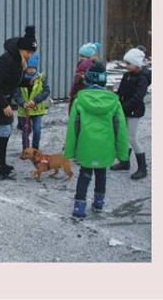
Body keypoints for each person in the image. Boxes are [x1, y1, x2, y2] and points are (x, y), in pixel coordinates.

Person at [67, 60, 129, 219]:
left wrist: (69, 151)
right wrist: (123, 154)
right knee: (101, 175)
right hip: (105, 147)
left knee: (84, 175)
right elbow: (120, 129)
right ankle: (98, 204)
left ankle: (79, 208)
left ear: (87, 80)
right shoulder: (114, 102)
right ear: (104, 80)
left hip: (85, 147)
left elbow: (73, 128)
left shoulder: (79, 100)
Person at [0, 26, 37, 179]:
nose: (30, 55)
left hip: (1, 97)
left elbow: (12, 82)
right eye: (28, 52)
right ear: (21, 49)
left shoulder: (18, 60)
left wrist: (28, 83)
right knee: (5, 129)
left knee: (6, 129)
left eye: (32, 52)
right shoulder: (7, 61)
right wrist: (4, 104)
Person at [113, 47, 150, 176]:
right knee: (123, 136)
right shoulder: (127, 75)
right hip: (124, 110)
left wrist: (123, 107)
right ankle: (124, 161)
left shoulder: (142, 78)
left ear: (137, 64)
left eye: (129, 63)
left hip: (134, 111)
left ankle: (143, 169)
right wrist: (115, 101)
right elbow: (121, 91)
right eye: (126, 63)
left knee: (132, 138)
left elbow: (138, 97)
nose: (126, 66)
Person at [18, 51, 49, 152]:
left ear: (36, 68)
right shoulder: (19, 78)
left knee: (37, 130)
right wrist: (22, 103)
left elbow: (46, 91)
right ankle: (26, 149)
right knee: (25, 130)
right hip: (24, 110)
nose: (30, 70)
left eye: (33, 68)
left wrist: (35, 101)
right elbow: (16, 93)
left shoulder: (41, 78)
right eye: (29, 68)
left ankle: (35, 149)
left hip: (37, 109)